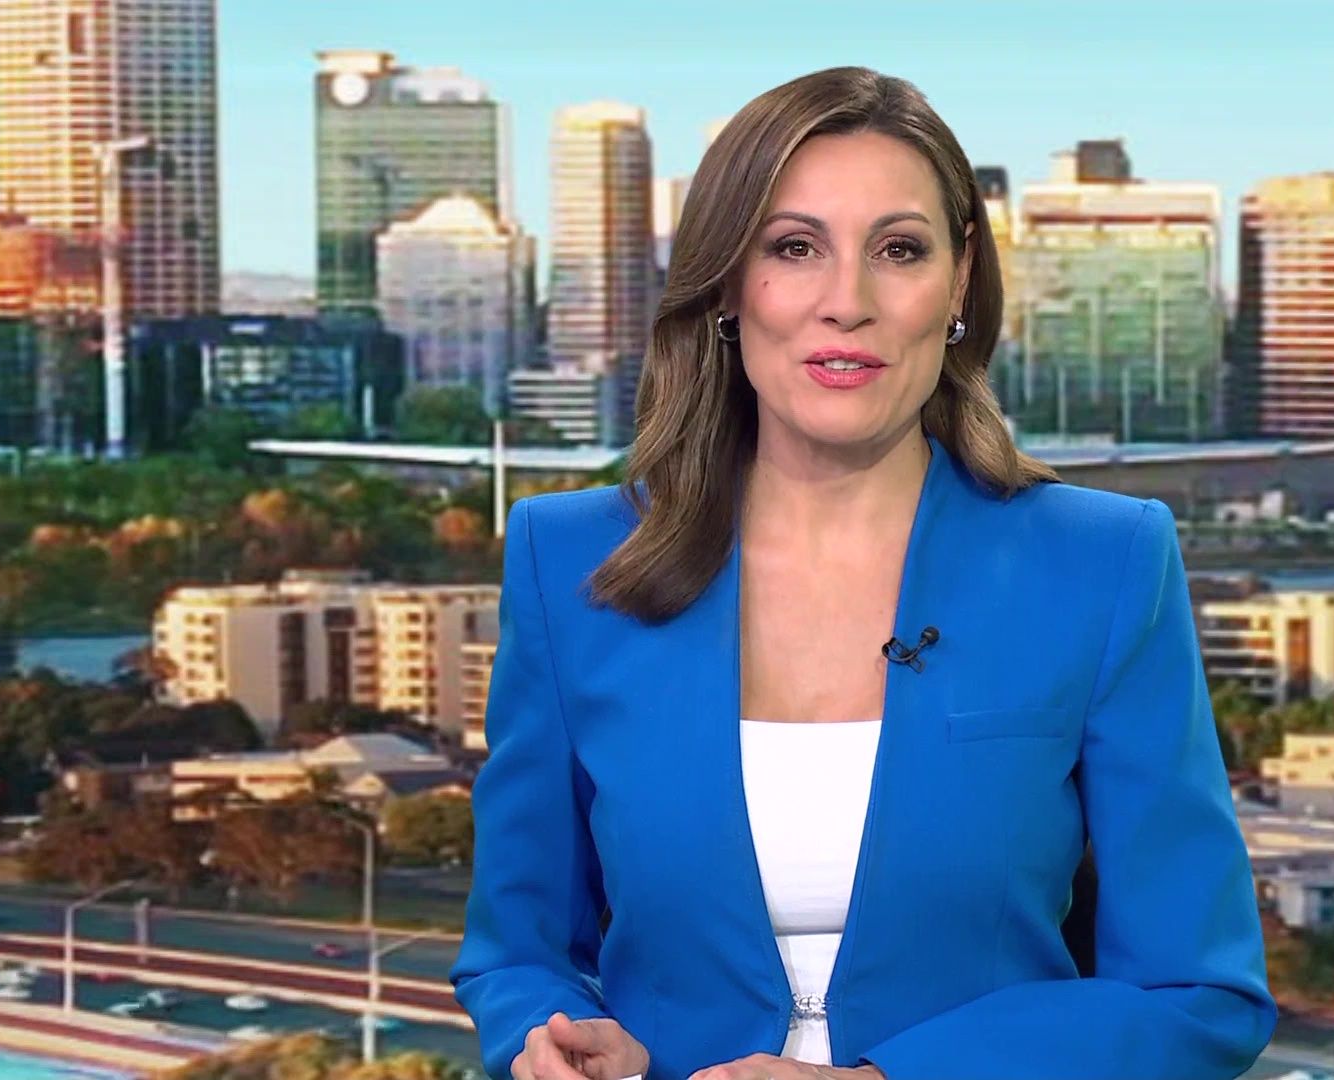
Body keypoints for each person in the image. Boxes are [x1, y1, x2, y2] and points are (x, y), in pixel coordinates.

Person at [451, 65, 1277, 1080]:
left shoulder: (1103, 561)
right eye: (794, 248)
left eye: (899, 250)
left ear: (958, 282)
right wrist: (556, 1044)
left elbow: (1199, 993)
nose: (847, 302)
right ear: (727, 283)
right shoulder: (569, 561)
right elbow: (517, 954)